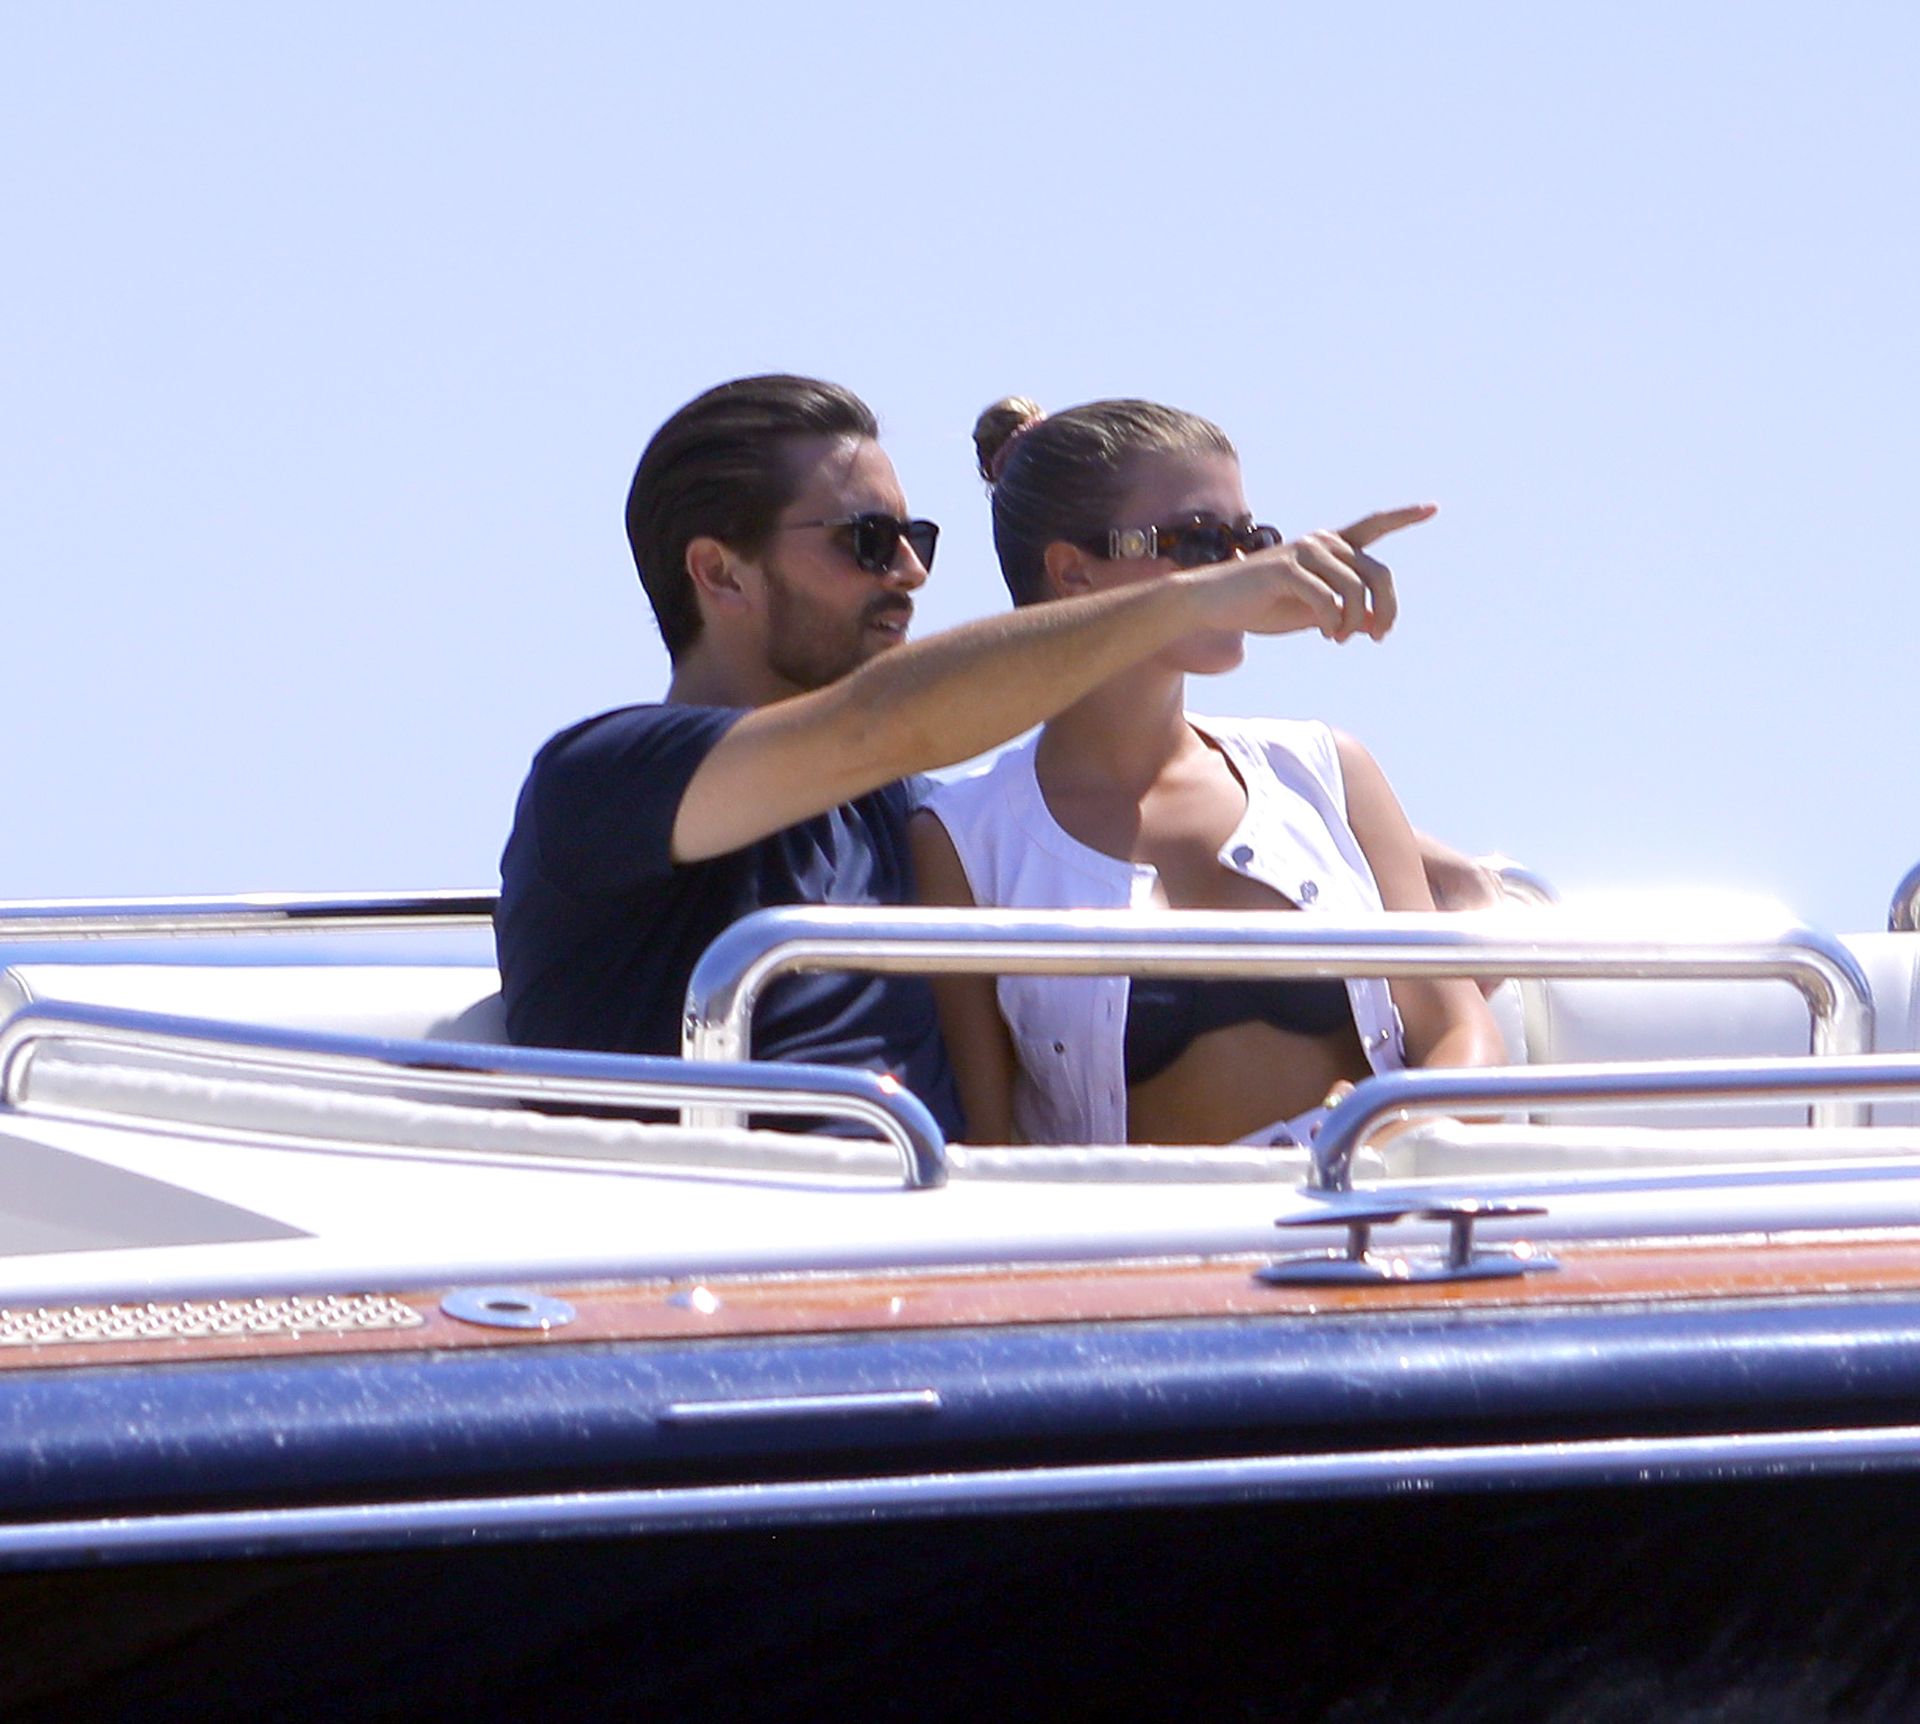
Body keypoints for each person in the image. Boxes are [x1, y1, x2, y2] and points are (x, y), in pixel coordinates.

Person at [494, 374, 1437, 1143]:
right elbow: (888, 723)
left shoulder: (902, 810)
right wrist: (1197, 599)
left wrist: (1424, 867)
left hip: (929, 1255)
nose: (910, 573)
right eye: (868, 542)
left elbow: (1043, 796)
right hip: (711, 1265)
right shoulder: (602, 782)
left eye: (916, 540)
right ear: (720, 573)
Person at [910, 397, 1506, 1146]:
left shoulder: (1328, 770)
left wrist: (1363, 1143)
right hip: (1153, 1223)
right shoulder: (963, 841)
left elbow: (1464, 1040)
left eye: (1252, 540)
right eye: (1197, 542)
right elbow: (990, 1144)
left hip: (1372, 1204)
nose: (1244, 570)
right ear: (1072, 573)